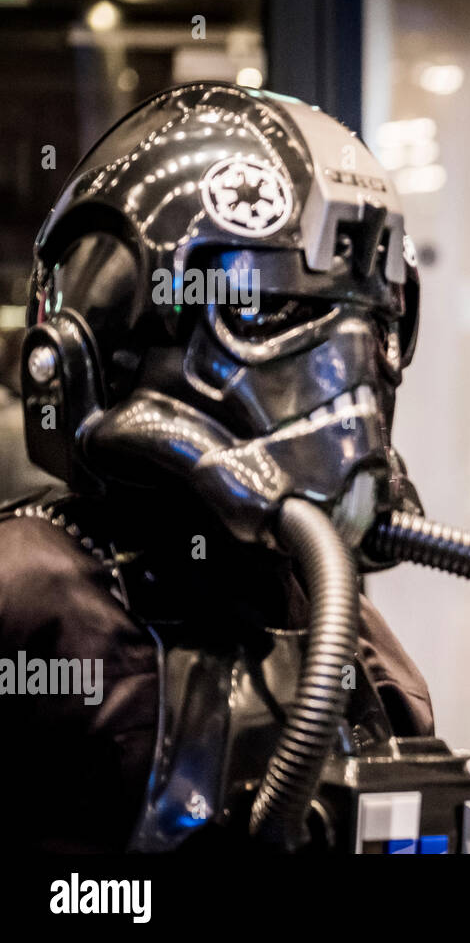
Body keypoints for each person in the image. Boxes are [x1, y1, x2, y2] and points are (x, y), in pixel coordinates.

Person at [0, 82, 432, 851]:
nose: (345, 375)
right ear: (95, 346)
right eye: (275, 312)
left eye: (371, 325)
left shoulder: (339, 621)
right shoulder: (28, 604)